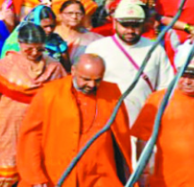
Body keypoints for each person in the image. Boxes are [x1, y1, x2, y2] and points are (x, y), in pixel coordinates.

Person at [17, 54, 133, 187]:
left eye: (98, 80)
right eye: (86, 79)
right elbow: (31, 137)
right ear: (73, 71)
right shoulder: (49, 93)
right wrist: (35, 177)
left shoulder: (112, 92)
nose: (91, 85)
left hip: (101, 175)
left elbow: (121, 138)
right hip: (58, 174)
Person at [0, 23, 67, 187]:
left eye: (39, 49)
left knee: (37, 170)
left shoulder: (54, 67)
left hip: (41, 128)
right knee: (5, 174)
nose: (35, 53)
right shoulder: (5, 66)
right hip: (8, 128)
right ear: (20, 44)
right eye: (29, 49)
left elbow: (62, 99)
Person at [131, 51, 194, 187]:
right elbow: (143, 140)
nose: (187, 82)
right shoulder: (158, 100)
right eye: (182, 75)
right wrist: (142, 174)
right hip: (167, 182)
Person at [86, 0, 173, 122]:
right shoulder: (97, 48)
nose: (130, 30)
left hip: (143, 119)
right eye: (125, 25)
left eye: (135, 25)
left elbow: (165, 87)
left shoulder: (154, 49)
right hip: (107, 119)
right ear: (115, 23)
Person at [55, 0, 102, 65]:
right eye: (70, 13)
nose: (74, 17)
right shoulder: (51, 34)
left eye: (78, 13)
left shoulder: (92, 38)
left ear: (83, 16)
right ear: (60, 15)